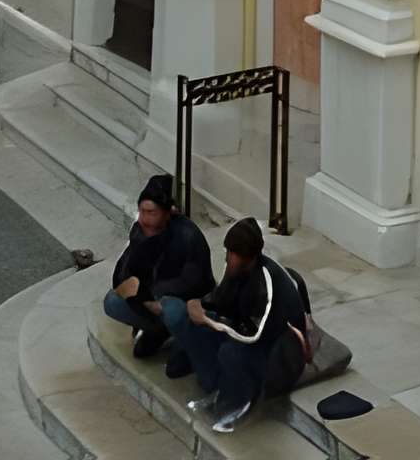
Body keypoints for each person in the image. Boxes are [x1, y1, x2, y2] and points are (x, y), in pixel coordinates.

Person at [176, 217, 308, 436]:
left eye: (233, 253)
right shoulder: (237, 270)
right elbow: (222, 300)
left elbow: (253, 336)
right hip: (257, 342)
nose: (228, 258)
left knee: (231, 351)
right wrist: (199, 305)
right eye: (228, 251)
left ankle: (239, 406)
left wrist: (209, 321)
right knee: (199, 327)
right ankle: (220, 390)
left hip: (281, 353)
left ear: (249, 255)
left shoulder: (267, 281)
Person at [102, 173, 214, 364]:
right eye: (142, 212)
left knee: (172, 311)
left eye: (151, 213)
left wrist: (156, 296)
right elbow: (123, 273)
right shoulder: (140, 232)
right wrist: (142, 299)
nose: (144, 219)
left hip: (182, 304)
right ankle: (158, 330)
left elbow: (194, 282)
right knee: (113, 301)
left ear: (168, 212)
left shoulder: (187, 236)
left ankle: (188, 341)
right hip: (151, 301)